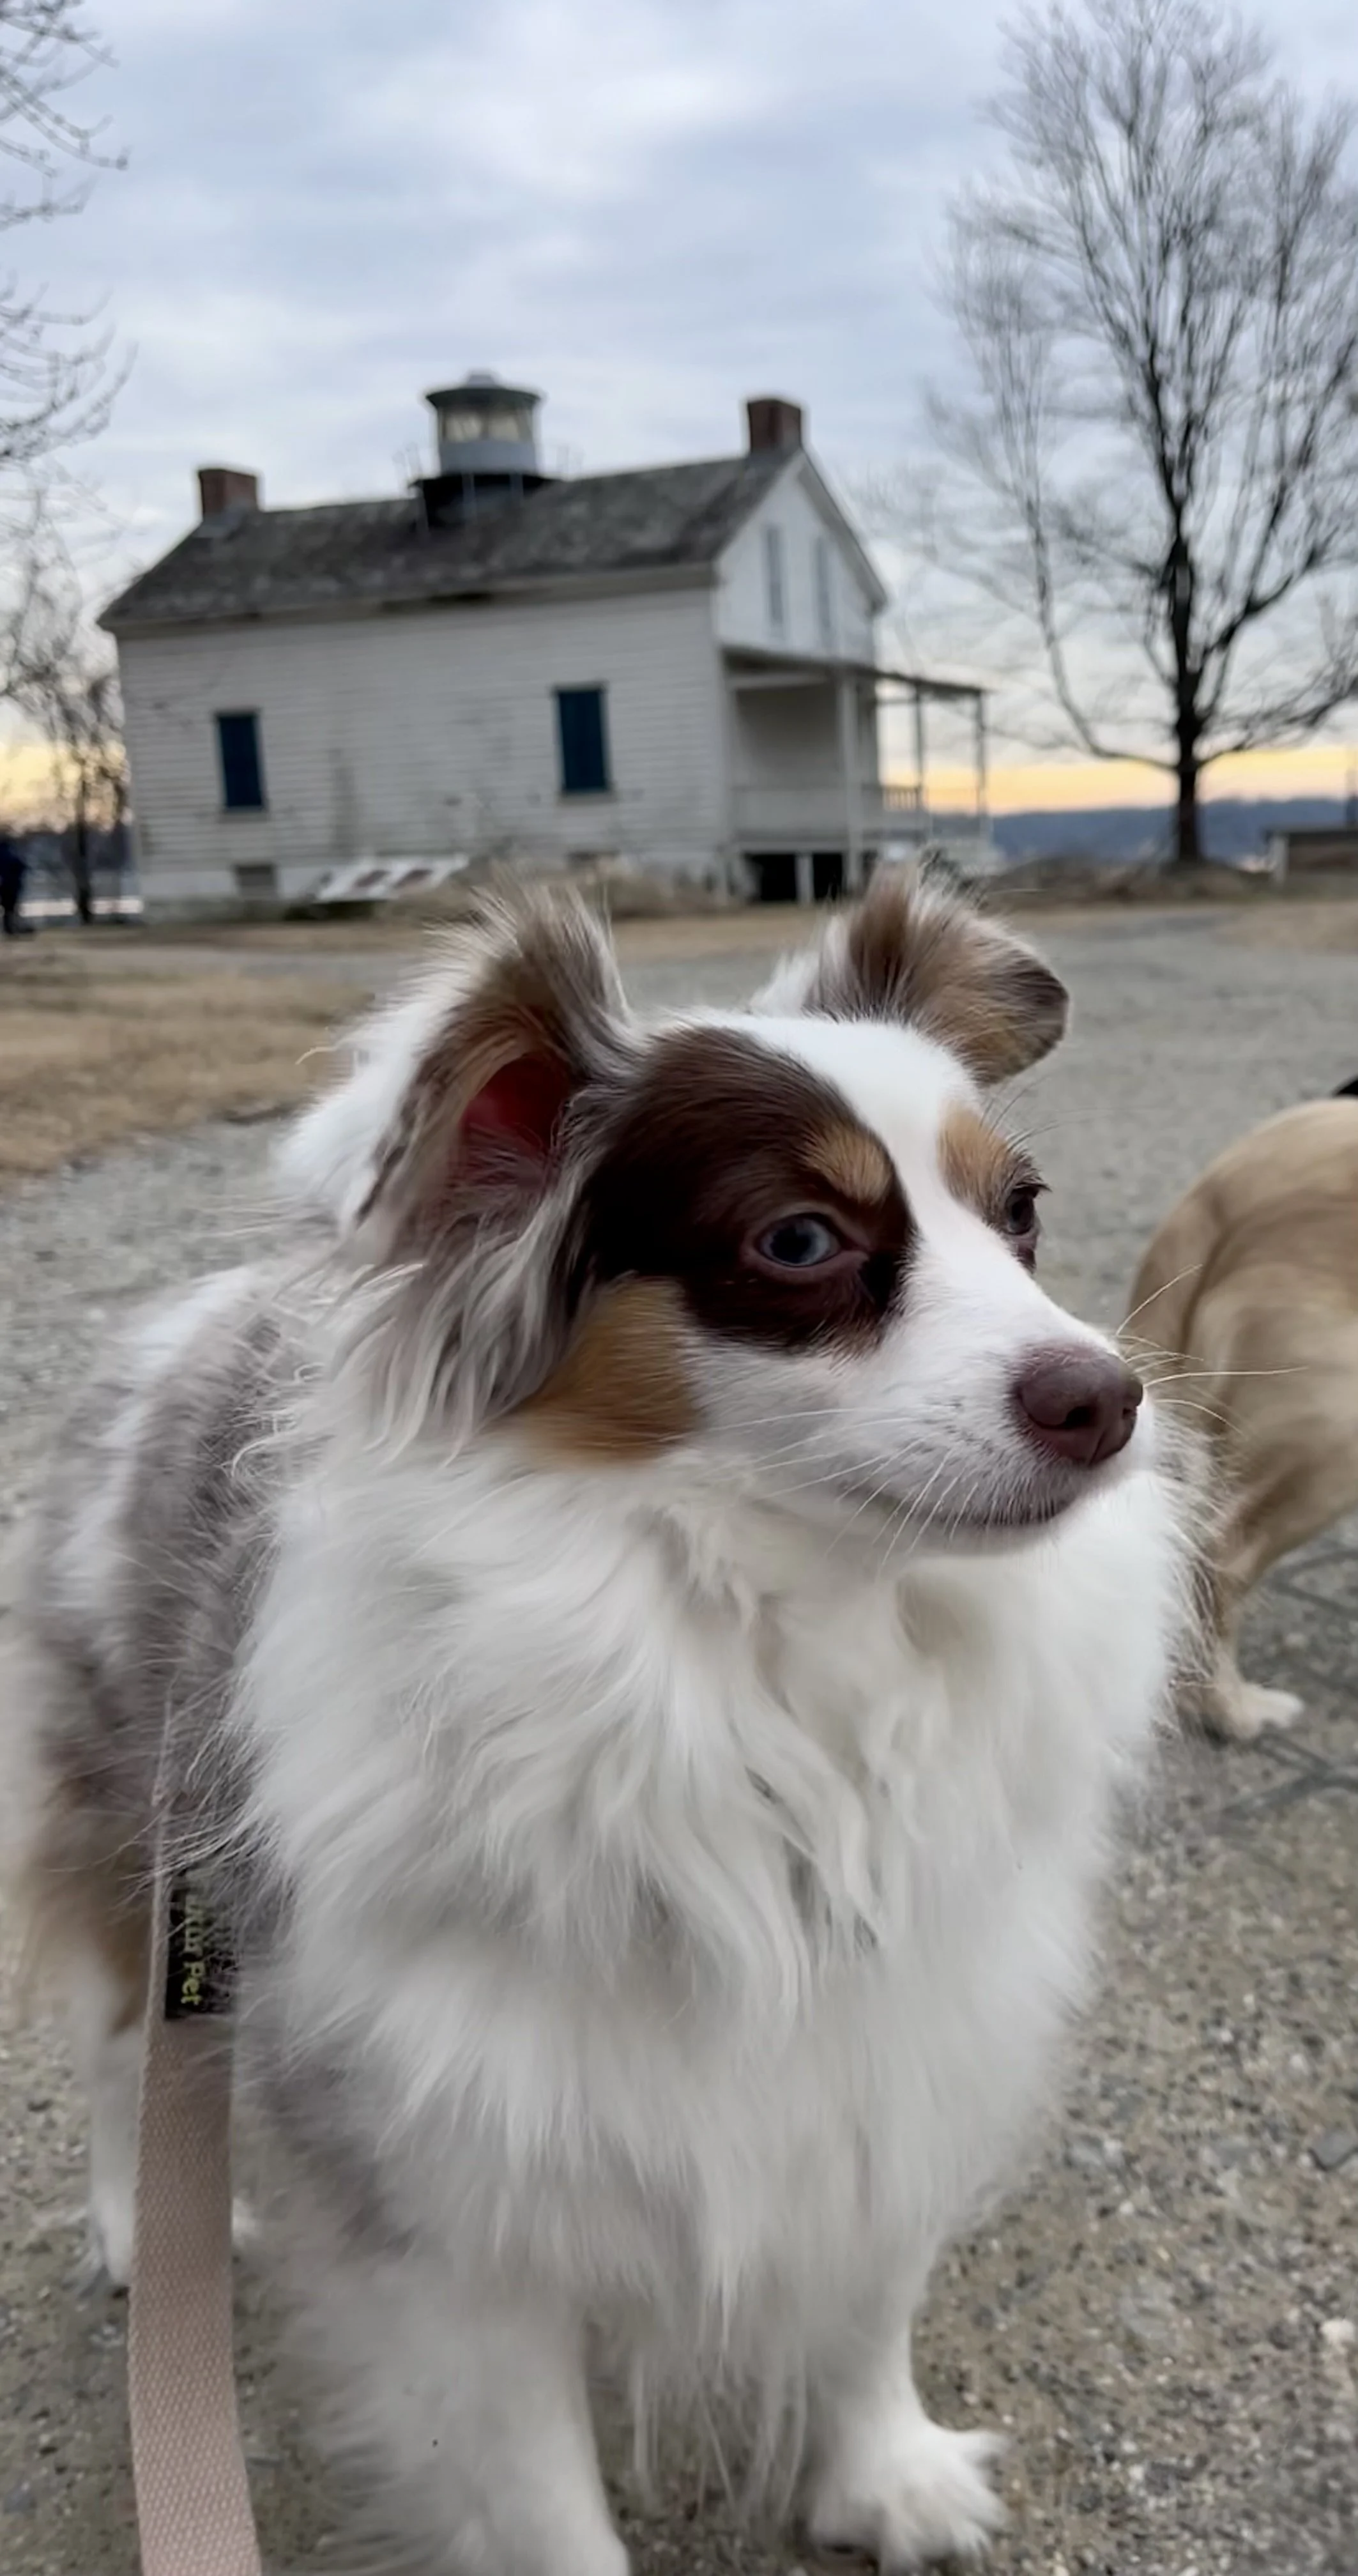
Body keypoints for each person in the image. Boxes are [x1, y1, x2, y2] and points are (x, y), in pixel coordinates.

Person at [0, 829, 34, 937]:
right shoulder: (11, 854)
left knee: (7, 908)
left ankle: (9, 928)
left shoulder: (5, 855)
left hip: (4, 885)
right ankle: (12, 928)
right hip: (12, 885)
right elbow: (21, 866)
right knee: (11, 908)